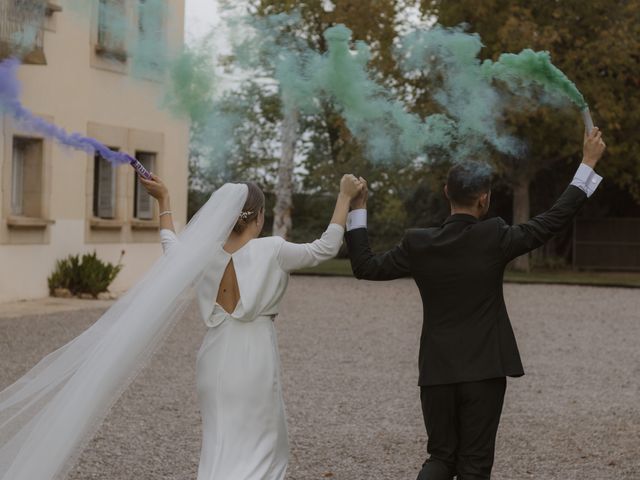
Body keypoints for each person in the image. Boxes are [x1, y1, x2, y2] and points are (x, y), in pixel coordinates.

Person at [344, 128, 606, 479]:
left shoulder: (418, 243)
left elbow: (365, 266)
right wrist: (587, 163)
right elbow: (552, 222)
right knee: (475, 464)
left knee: (439, 458)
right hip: (485, 370)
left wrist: (357, 207)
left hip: (437, 371)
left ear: (446, 193)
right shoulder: (494, 236)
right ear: (484, 198)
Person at [139, 174, 362, 479]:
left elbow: (170, 245)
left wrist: (163, 199)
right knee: (262, 446)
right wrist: (344, 197)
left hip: (214, 355)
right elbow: (324, 248)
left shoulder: (202, 255)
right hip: (254, 355)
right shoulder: (273, 249)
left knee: (219, 443)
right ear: (258, 216)